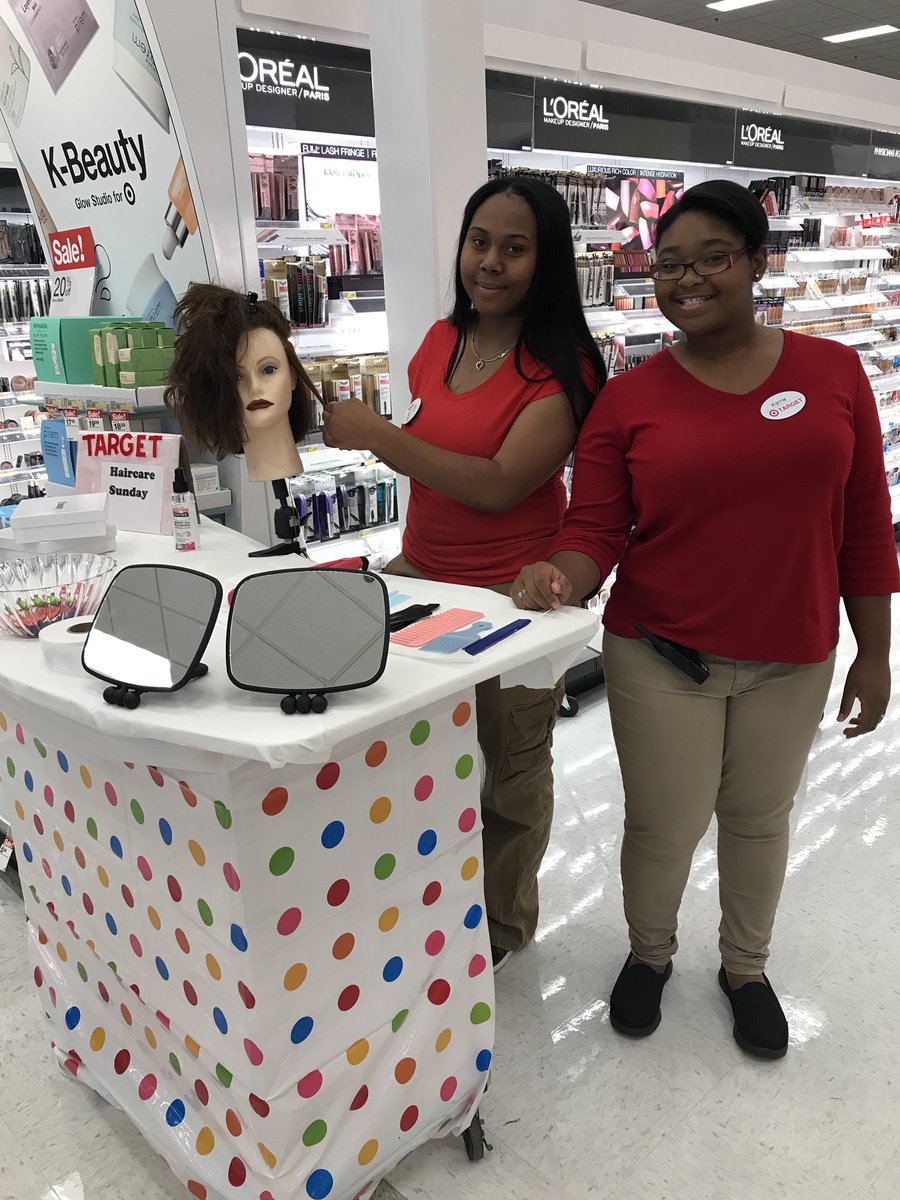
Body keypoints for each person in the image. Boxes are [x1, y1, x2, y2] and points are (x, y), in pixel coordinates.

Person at [511, 179, 899, 1057]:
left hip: (792, 654)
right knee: (664, 823)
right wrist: (557, 576)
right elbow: (594, 529)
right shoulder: (630, 398)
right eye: (669, 264)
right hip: (659, 653)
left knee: (761, 819)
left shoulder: (834, 374)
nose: (687, 279)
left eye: (713, 258)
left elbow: (867, 524)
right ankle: (649, 956)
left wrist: (873, 653)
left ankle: (745, 969)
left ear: (759, 262)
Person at [322, 175, 607, 969]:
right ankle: (426, 897)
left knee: (510, 773)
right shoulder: (441, 341)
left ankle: (502, 928)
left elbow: (499, 485)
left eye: (515, 248)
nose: (490, 262)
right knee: (415, 759)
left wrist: (376, 435)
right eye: (480, 241)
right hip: (420, 580)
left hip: (513, 604)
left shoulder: (566, 367)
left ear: (545, 262)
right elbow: (433, 455)